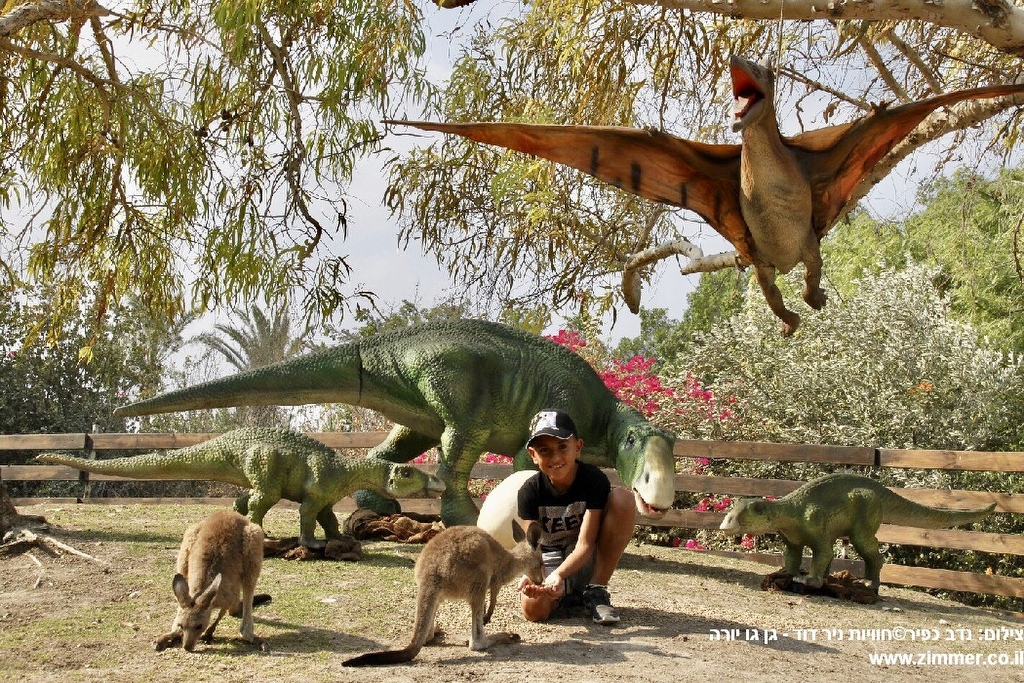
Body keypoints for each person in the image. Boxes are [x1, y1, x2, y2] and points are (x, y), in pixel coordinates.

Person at [515, 408, 637, 625]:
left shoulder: (592, 480)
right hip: (548, 561)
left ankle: (595, 589)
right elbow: (532, 547)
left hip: (582, 558)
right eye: (544, 450)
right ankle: (562, 598)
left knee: (623, 499)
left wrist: (561, 574)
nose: (555, 457)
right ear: (533, 456)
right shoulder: (529, 492)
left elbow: (585, 543)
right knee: (534, 611)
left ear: (578, 447)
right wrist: (535, 577)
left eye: (563, 447)